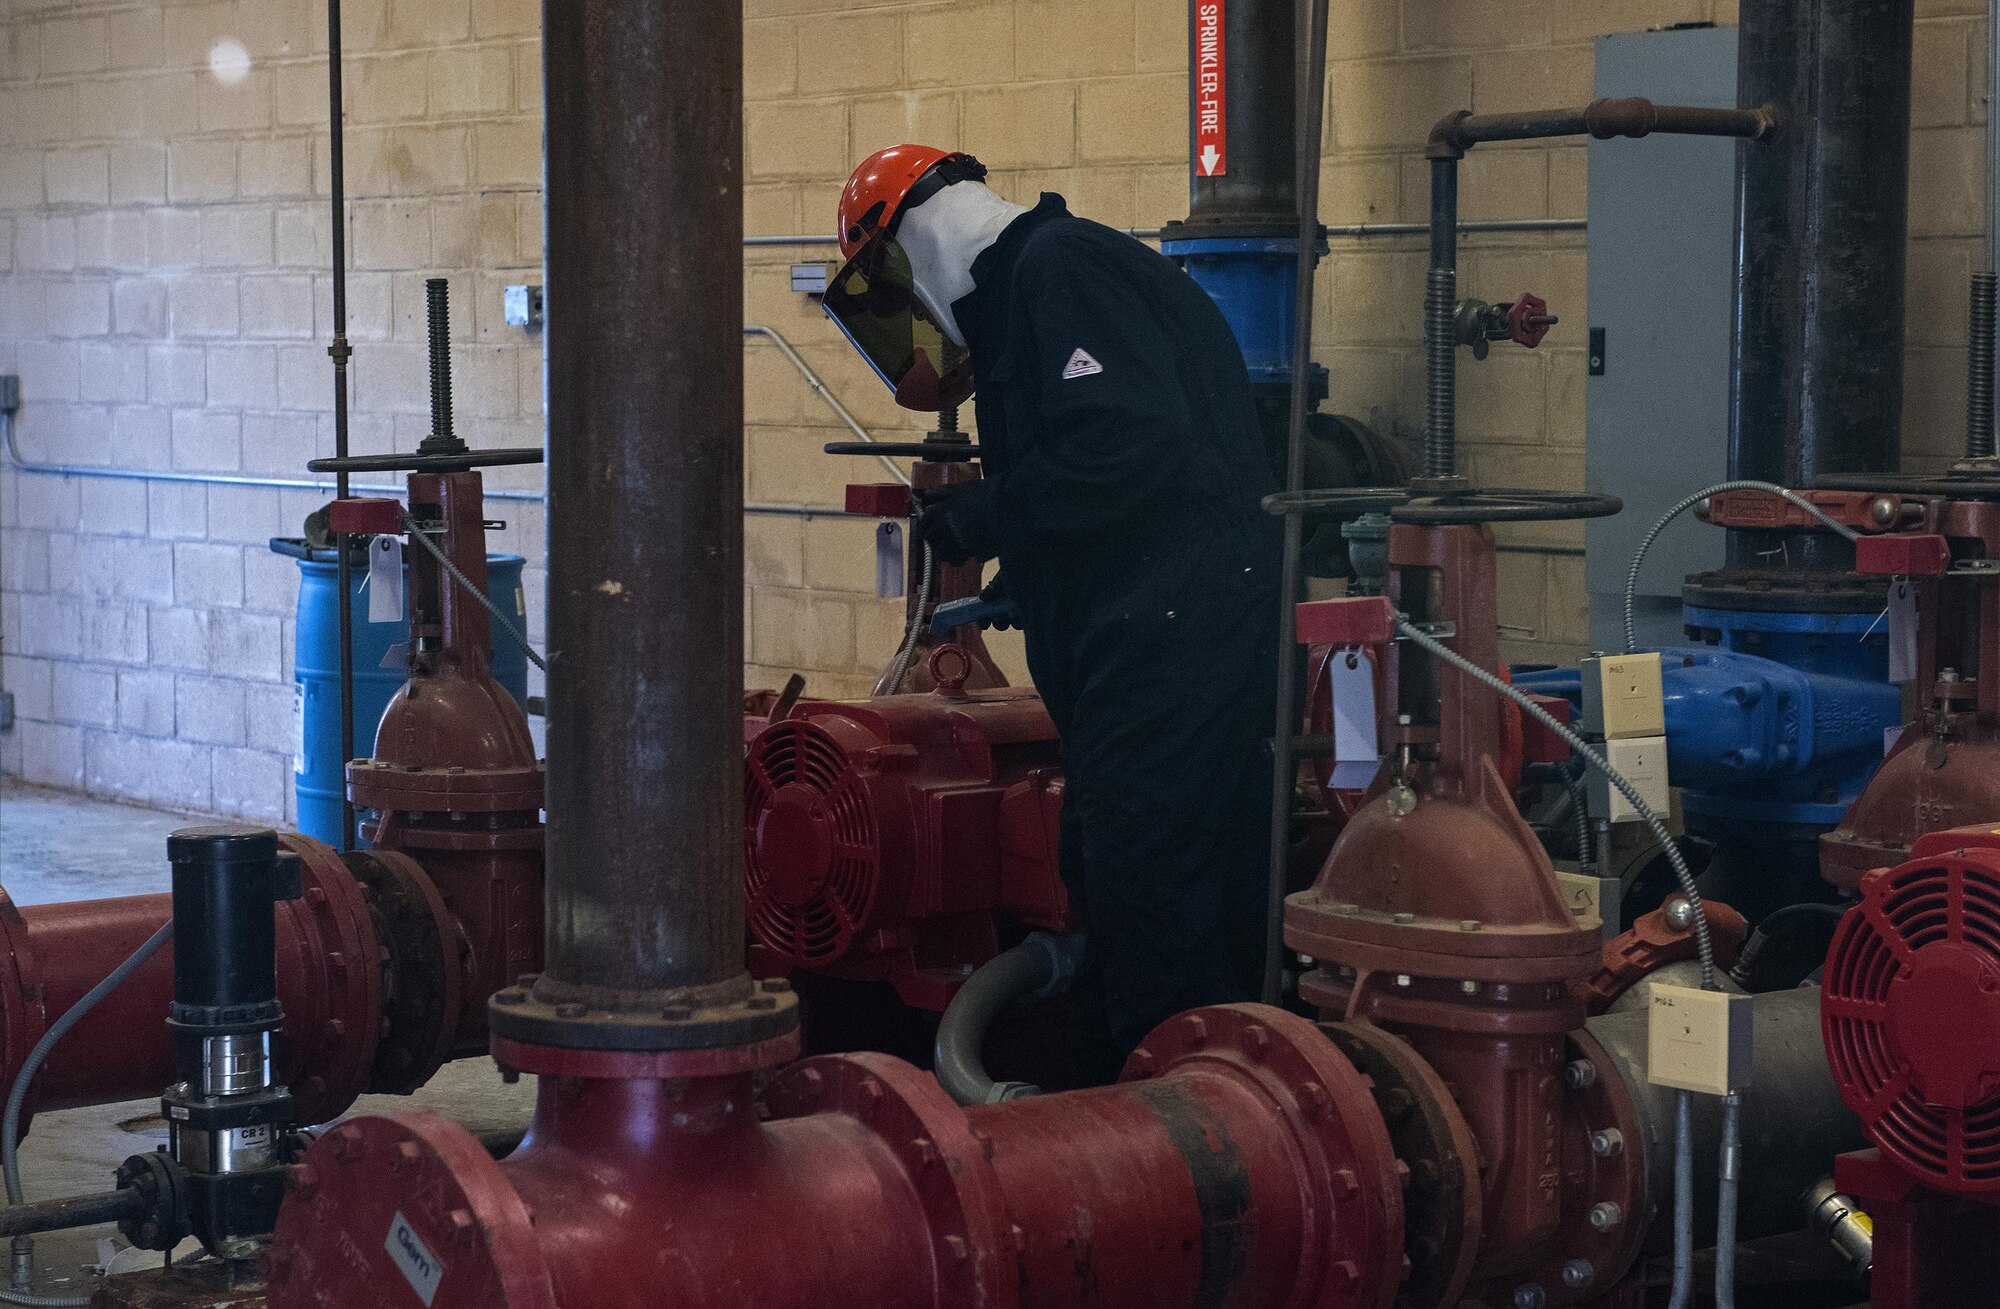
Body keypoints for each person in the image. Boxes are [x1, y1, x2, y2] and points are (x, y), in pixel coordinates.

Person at [823, 144, 1282, 1051]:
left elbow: (1131, 447)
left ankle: (1187, 1127)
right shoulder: (1033, 291)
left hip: (1168, 644)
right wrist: (1028, 573)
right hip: (1160, 635)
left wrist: (988, 515)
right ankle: (1148, 1095)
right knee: (1117, 874)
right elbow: (1117, 475)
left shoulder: (1057, 269)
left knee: (1146, 885)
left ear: (901, 247)